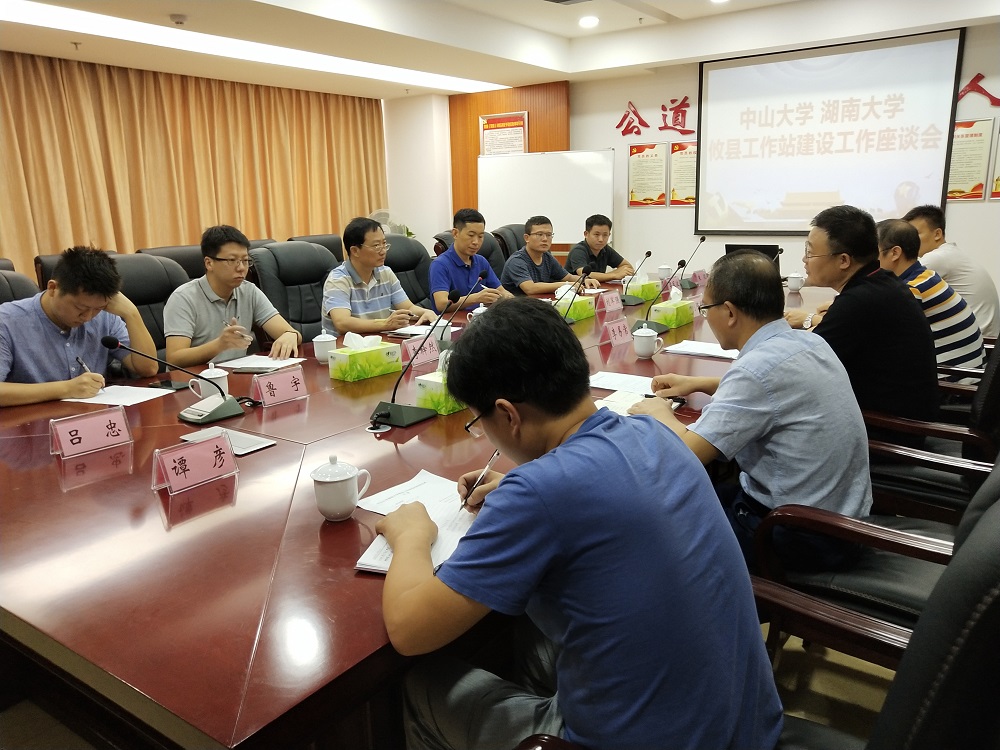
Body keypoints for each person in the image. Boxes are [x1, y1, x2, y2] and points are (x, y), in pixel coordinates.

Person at [376, 297, 783, 750]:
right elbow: (596, 493)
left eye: (479, 421)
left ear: (507, 414)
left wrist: (411, 535)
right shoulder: (657, 433)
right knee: (529, 636)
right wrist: (523, 491)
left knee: (423, 685)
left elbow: (409, 631)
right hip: (746, 724)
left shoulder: (537, 494)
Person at [630, 250, 872, 571]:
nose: (706, 317)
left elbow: (686, 454)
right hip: (842, 519)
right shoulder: (809, 342)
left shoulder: (755, 371)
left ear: (730, 312)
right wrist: (700, 383)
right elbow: (773, 392)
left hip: (795, 533)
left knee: (655, 515)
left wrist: (659, 413)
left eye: (706, 308)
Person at [783, 205, 938, 423]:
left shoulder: (860, 300)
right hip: (895, 412)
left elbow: (799, 365)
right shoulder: (881, 282)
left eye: (810, 252)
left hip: (889, 428)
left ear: (844, 260)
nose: (804, 260)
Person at [0, 246, 158, 406]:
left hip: (93, 416)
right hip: (31, 419)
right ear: (53, 288)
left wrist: (132, 314)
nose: (88, 317)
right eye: (80, 308)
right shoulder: (6, 322)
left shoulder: (106, 314)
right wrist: (66, 389)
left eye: (98, 308)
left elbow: (148, 369)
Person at [164, 225, 301, 366]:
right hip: (196, 378)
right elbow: (174, 359)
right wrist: (220, 344)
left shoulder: (249, 291)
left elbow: (290, 333)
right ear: (209, 263)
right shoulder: (183, 298)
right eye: (231, 260)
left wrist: (291, 335)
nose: (241, 268)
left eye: (245, 260)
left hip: (237, 374)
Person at [876, 219, 986, 371]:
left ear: (895, 253)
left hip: (951, 380)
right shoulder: (927, 276)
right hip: (968, 373)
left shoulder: (911, 289)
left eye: (873, 253)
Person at [322, 217, 436, 335]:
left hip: (380, 342)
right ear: (355, 251)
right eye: (376, 246)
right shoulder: (338, 280)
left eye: (384, 244)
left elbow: (409, 308)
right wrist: (386, 324)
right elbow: (342, 323)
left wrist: (425, 313)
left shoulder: (385, 273)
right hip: (346, 345)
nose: (383, 251)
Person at [901, 204, 999, 337]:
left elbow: (895, 290)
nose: (909, 241)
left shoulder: (938, 257)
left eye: (915, 234)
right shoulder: (949, 253)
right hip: (980, 335)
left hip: (979, 337)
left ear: (937, 234)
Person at [429, 209, 512, 314]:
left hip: (481, 319)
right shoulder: (440, 265)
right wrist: (477, 298)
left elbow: (501, 291)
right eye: (471, 235)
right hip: (453, 322)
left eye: (480, 236)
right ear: (455, 233)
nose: (476, 242)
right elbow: (441, 304)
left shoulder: (481, 261)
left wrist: (511, 299)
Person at [500, 216, 601, 295]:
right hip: (516, 309)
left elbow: (568, 277)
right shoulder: (517, 261)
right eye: (539, 234)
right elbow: (530, 289)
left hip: (538, 304)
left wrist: (585, 280)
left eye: (549, 235)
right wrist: (566, 285)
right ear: (527, 238)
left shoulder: (547, 257)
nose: (545, 239)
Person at [563, 214, 635, 282]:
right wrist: (614, 275)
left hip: (597, 288)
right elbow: (584, 274)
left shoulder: (605, 249)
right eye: (596, 234)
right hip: (575, 289)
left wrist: (612, 275)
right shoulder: (578, 250)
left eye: (605, 235)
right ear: (586, 234)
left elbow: (628, 267)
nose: (601, 239)